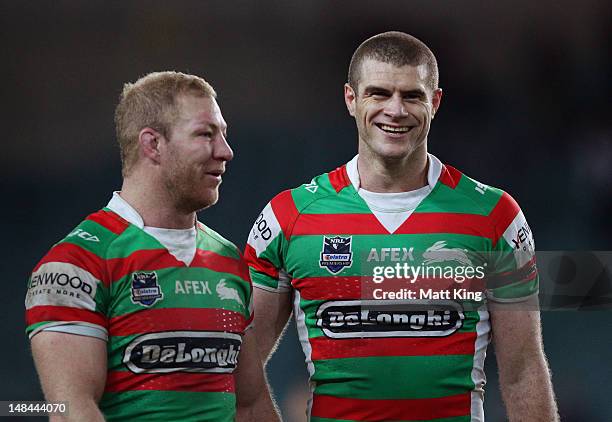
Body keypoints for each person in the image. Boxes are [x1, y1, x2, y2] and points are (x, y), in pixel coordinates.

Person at [245, 32, 559, 421]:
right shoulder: (287, 217)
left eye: (412, 95)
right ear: (350, 99)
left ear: (436, 102)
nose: (395, 110)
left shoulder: (495, 216)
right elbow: (240, 366)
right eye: (378, 93)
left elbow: (523, 369)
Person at [25, 71, 279, 422]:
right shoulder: (76, 264)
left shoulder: (226, 260)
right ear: (152, 144)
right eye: (206, 134)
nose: (226, 151)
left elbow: (250, 407)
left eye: (223, 134)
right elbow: (71, 412)